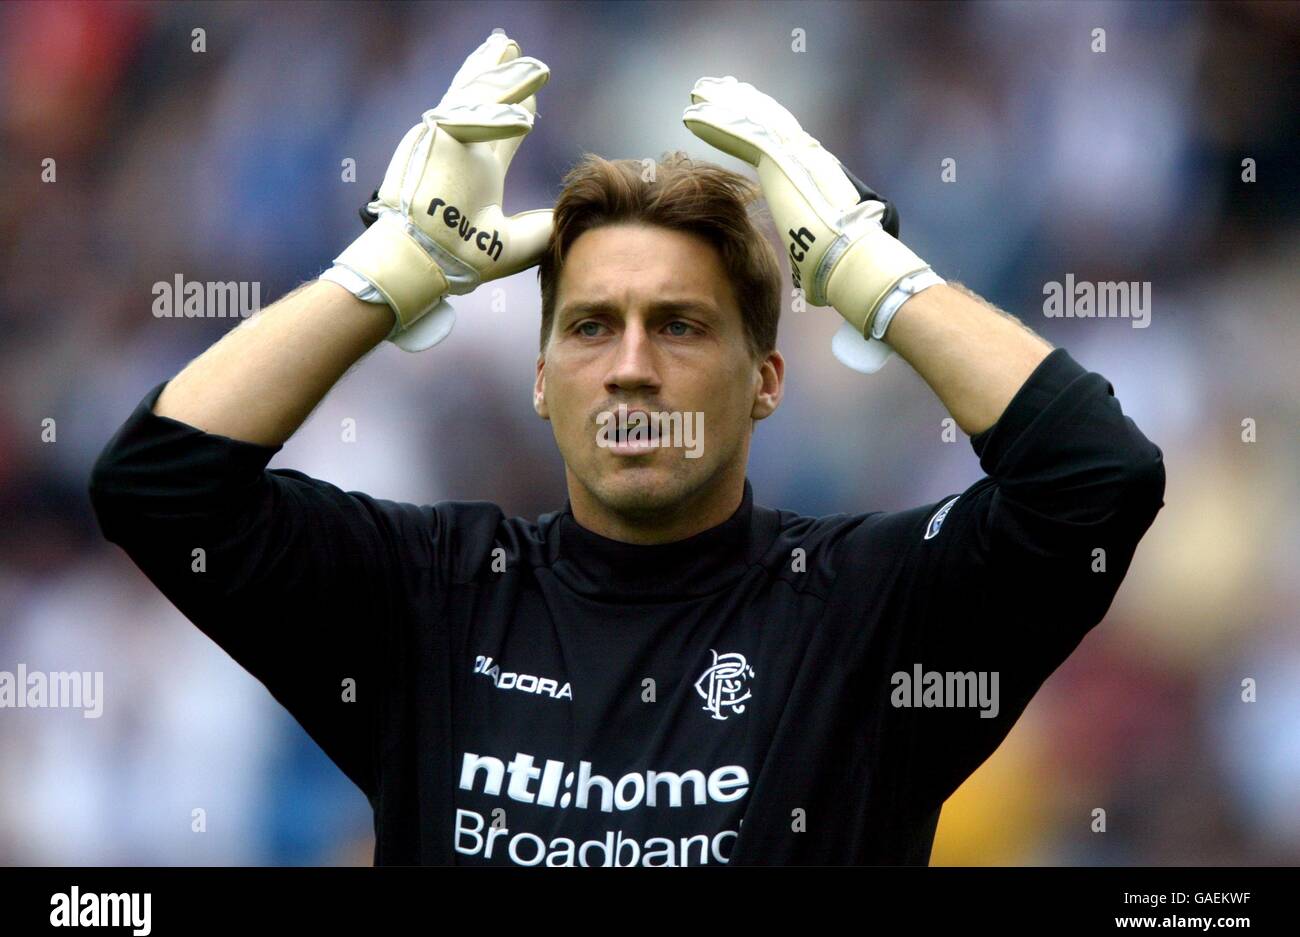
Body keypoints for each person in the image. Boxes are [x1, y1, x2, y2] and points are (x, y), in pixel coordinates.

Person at [88, 33, 1165, 866]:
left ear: (766, 382)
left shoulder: (868, 609)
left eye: (683, 325)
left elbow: (1096, 479)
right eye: (593, 326)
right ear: (541, 377)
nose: (633, 365)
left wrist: (860, 267)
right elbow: (156, 485)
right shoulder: (427, 597)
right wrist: (390, 269)